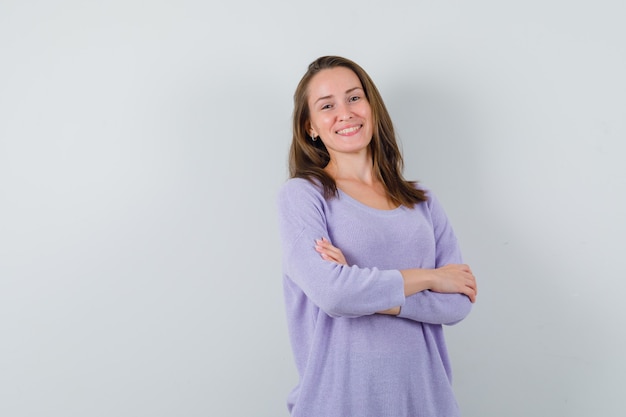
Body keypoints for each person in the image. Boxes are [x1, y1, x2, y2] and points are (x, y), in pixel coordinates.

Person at [276, 55, 478, 417]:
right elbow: (333, 294)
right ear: (310, 127)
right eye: (327, 105)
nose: (345, 112)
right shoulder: (303, 195)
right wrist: (431, 278)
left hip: (428, 402)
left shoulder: (422, 200)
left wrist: (361, 286)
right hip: (339, 403)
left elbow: (459, 301)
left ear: (371, 106)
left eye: (354, 97)